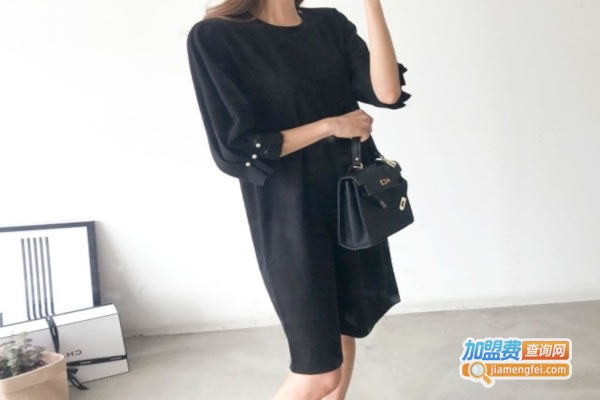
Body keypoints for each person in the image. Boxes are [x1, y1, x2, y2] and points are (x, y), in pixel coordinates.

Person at [186, 1, 411, 398]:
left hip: (349, 203)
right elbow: (236, 151)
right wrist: (330, 126)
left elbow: (387, 92)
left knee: (344, 330)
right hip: (289, 214)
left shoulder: (329, 24)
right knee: (318, 372)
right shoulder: (216, 36)